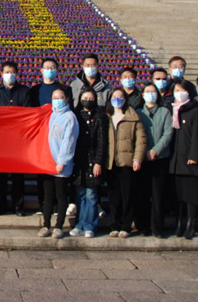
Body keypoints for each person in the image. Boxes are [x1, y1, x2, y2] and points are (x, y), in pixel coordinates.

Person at [29, 58, 73, 216]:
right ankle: (43, 205)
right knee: (42, 173)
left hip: (59, 134)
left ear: (57, 70)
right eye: (47, 67)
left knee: (58, 174)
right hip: (40, 136)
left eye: (52, 67)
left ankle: (57, 207)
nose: (49, 69)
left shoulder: (64, 89)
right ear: (41, 71)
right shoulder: (34, 90)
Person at [0, 60, 30, 216]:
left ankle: (18, 206)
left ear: (16, 74)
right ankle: (1, 205)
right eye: (7, 72)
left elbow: (27, 115)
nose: (9, 75)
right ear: (1, 74)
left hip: (18, 140)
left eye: (12, 72)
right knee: (0, 176)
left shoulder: (24, 91)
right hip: (0, 140)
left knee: (18, 176)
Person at [104, 87, 146, 238]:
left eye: (120, 96)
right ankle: (114, 224)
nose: (117, 99)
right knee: (114, 196)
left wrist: (137, 158)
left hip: (127, 162)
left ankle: (126, 225)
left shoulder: (133, 116)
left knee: (127, 194)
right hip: (111, 162)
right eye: (114, 96)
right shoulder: (107, 116)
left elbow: (141, 140)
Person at [168, 79, 198, 240]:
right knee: (179, 195)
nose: (179, 92)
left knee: (191, 195)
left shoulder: (195, 109)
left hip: (190, 159)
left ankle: (191, 224)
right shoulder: (173, 109)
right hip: (175, 158)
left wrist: (194, 156)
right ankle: (180, 223)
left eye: (182, 89)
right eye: (176, 89)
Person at [38, 88, 79, 239]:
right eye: (54, 97)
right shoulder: (49, 115)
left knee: (61, 196)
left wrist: (63, 160)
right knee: (48, 196)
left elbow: (69, 141)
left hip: (61, 165)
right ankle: (46, 224)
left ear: (67, 99)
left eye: (60, 97)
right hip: (47, 163)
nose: (57, 100)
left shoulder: (69, 117)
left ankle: (59, 226)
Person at [135, 82, 172, 238]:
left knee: (158, 194)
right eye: (147, 91)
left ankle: (157, 227)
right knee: (142, 194)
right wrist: (144, 152)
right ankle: (143, 226)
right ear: (142, 95)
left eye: (153, 91)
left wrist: (156, 150)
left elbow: (168, 133)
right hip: (142, 158)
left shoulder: (165, 112)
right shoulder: (137, 112)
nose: (150, 94)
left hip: (160, 158)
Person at [70, 89, 107, 238]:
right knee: (80, 195)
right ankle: (79, 223)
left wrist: (98, 161)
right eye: (85, 97)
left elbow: (102, 142)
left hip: (93, 161)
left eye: (90, 98)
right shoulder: (75, 115)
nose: (87, 100)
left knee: (91, 195)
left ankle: (90, 225)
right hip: (79, 161)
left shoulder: (100, 117)